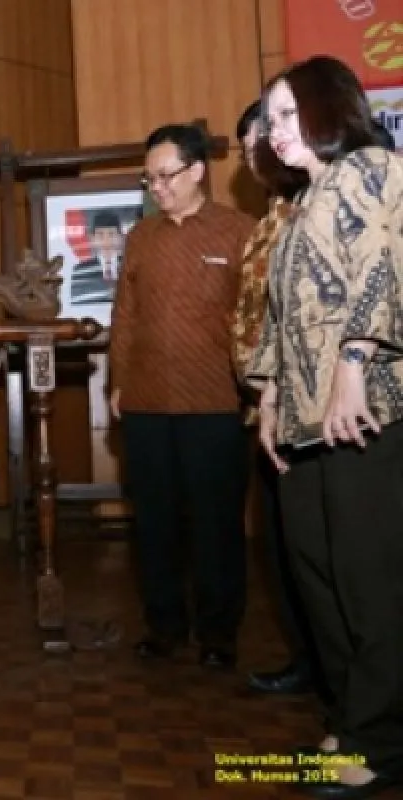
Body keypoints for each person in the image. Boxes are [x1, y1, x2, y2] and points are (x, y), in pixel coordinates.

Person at [248, 55, 403, 797]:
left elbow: (386, 267)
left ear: (326, 106)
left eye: (286, 114)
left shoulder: (372, 169)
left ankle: (381, 742)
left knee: (371, 584)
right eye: (268, 119)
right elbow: (282, 317)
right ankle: (352, 718)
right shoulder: (301, 202)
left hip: (367, 412)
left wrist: (352, 365)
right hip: (306, 424)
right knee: (318, 581)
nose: (273, 131)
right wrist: (269, 397)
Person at [109, 123, 256, 670]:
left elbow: (255, 320)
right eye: (149, 179)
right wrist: (118, 382)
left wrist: (256, 390)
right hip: (146, 404)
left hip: (216, 404)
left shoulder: (240, 231)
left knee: (217, 526)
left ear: (197, 170)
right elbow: (125, 318)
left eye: (166, 176)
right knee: (154, 524)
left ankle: (219, 635)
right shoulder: (140, 238)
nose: (158, 188)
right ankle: (164, 626)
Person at [229, 100, 324, 699]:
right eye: (245, 150)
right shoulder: (269, 218)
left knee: (315, 554)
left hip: (308, 408)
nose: (253, 158)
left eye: (260, 143)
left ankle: (343, 683)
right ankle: (309, 662)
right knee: (282, 550)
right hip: (262, 408)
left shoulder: (318, 209)